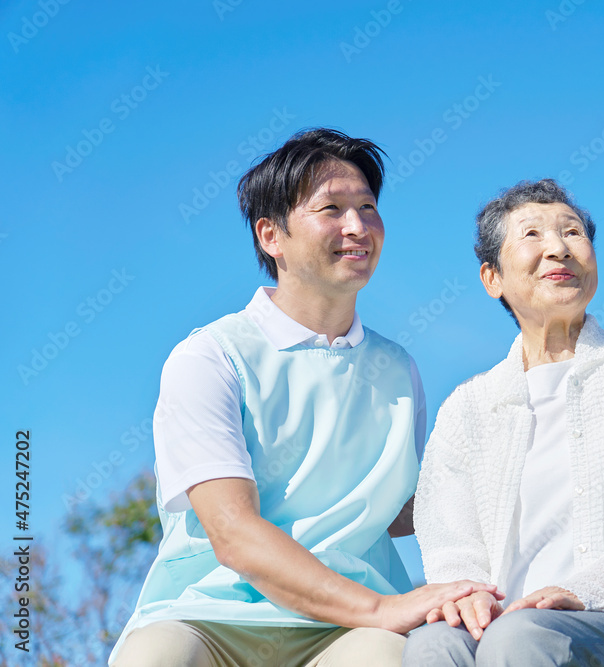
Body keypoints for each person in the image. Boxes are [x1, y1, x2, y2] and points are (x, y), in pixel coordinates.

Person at [110, 128, 495, 667]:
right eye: (331, 208)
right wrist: (382, 607)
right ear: (272, 235)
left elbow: (404, 510)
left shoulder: (397, 368)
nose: (358, 226)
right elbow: (234, 534)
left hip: (349, 630)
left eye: (367, 206)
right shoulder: (210, 357)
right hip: (210, 617)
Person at [403, 179, 604, 666]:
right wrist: (469, 596)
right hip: (500, 625)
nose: (558, 248)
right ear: (492, 279)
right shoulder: (467, 407)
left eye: (573, 233)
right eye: (532, 235)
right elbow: (448, 533)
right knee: (432, 644)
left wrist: (585, 589)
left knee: (521, 638)